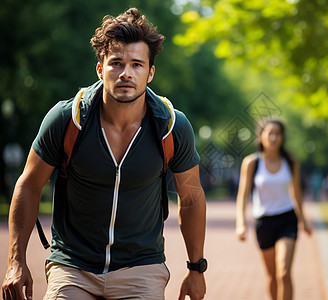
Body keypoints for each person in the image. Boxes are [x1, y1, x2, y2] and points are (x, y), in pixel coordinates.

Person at [2, 8, 206, 300]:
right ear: (100, 69)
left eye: (137, 64)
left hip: (141, 268)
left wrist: (196, 269)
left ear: (150, 73)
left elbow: (192, 198)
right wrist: (15, 261)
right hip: (73, 267)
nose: (126, 73)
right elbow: (29, 185)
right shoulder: (66, 119)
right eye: (116, 63)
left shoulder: (172, 126)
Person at [235, 118, 312, 300]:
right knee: (272, 277)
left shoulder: (291, 162)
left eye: (278, 133)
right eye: (270, 133)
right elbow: (243, 195)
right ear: (260, 136)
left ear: (282, 137)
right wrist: (241, 224)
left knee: (283, 272)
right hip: (264, 222)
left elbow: (297, 193)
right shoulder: (251, 163)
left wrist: (303, 220)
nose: (273, 137)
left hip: (287, 219)